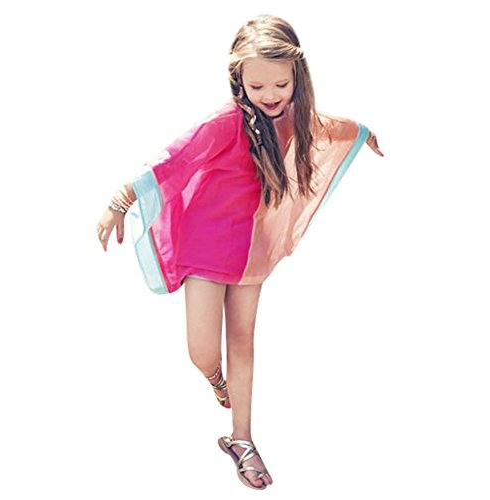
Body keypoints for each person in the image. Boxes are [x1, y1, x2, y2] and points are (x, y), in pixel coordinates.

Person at [96, 14, 383, 490]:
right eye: (258, 86)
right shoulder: (225, 123)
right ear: (238, 79)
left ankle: (242, 439)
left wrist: (364, 132)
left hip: (252, 249)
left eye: (281, 85)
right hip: (206, 245)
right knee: (201, 349)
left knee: (244, 339)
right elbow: (172, 159)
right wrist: (118, 202)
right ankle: (215, 377)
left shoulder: (293, 116)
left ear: (297, 77)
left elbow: (326, 125)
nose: (271, 95)